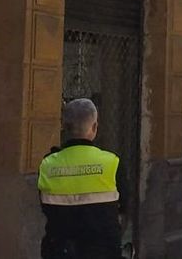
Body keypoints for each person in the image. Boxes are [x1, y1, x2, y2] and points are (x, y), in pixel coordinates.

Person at [37, 98, 124, 259]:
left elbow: (45, 207)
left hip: (60, 251)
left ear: (64, 126)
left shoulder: (47, 164)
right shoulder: (112, 163)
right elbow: (124, 207)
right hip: (104, 251)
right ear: (95, 127)